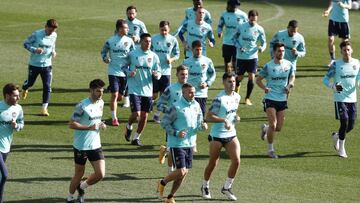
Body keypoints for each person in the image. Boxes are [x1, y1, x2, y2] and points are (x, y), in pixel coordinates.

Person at [157, 83, 207, 203]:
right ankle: (162, 182)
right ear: (183, 93)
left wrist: (202, 126)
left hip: (190, 144)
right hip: (177, 144)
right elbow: (164, 123)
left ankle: (170, 197)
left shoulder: (196, 105)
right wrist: (176, 133)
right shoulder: (176, 107)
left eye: (194, 92)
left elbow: (198, 124)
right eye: (190, 92)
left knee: (183, 174)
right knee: (181, 170)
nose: (193, 94)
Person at [201, 72, 241, 201]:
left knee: (236, 161)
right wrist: (224, 121)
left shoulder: (237, 97)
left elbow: (232, 113)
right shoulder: (219, 99)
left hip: (231, 134)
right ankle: (205, 186)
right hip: (217, 136)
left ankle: (227, 187)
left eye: (234, 81)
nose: (232, 84)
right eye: (230, 82)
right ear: (224, 83)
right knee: (213, 163)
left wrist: (235, 118)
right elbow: (208, 116)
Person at [66, 79, 107, 203]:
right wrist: (89, 127)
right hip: (81, 146)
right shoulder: (82, 105)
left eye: (102, 91)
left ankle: (82, 187)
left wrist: (101, 125)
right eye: (98, 91)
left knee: (100, 174)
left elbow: (96, 120)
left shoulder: (101, 103)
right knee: (79, 173)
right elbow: (72, 124)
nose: (100, 94)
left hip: (95, 145)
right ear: (91, 91)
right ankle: (70, 198)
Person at [256, 42, 295, 159]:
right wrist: (264, 88)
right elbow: (258, 80)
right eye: (279, 51)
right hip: (270, 98)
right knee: (273, 124)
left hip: (282, 99)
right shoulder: (268, 66)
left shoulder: (289, 65)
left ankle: (265, 128)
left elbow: (292, 76)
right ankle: (270, 150)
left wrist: (290, 85)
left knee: (278, 128)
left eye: (283, 51)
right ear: (274, 52)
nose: (281, 53)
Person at [123, 33, 161, 146]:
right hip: (134, 89)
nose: (148, 43)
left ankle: (136, 138)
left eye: (149, 41)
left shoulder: (154, 56)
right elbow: (123, 66)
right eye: (146, 41)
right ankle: (128, 126)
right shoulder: (132, 54)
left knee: (144, 116)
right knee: (136, 114)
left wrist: (156, 75)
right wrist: (129, 73)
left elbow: (158, 71)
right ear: (141, 42)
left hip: (147, 91)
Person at [323, 41, 360, 158]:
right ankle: (341, 149)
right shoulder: (336, 64)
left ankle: (337, 136)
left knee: (351, 125)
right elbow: (325, 79)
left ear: (352, 50)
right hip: (340, 98)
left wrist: (358, 83)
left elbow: (358, 76)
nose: (347, 52)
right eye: (344, 50)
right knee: (344, 122)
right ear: (341, 52)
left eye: (348, 50)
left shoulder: (357, 63)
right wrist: (333, 86)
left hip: (352, 97)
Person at [101, 19, 135, 126]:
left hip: (124, 73)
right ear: (120, 29)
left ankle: (117, 97)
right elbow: (103, 51)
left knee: (120, 97)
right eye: (126, 27)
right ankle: (114, 118)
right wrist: (105, 58)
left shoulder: (130, 41)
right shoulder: (110, 41)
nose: (128, 29)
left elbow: (134, 55)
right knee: (115, 95)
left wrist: (132, 69)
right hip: (113, 71)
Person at [22, 19, 58, 116]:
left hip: (47, 65)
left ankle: (44, 109)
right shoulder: (36, 34)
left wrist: (53, 52)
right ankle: (25, 87)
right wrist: (35, 49)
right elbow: (25, 43)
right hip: (34, 64)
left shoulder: (54, 35)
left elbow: (53, 45)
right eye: (50, 30)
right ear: (46, 26)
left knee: (47, 86)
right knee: (30, 83)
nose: (51, 33)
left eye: (53, 31)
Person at [157, 65, 188, 171]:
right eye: (182, 74)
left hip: (185, 124)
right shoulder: (170, 89)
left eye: (186, 74)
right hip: (172, 124)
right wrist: (169, 111)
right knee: (173, 149)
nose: (184, 76)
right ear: (177, 75)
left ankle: (164, 150)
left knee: (180, 148)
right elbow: (159, 104)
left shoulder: (190, 89)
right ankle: (171, 171)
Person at [232, 10, 266, 106]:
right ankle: (235, 92)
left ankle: (247, 98)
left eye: (254, 20)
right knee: (240, 77)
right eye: (251, 20)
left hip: (253, 57)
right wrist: (239, 47)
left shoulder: (260, 29)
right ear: (248, 18)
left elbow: (264, 43)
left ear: (257, 18)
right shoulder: (241, 27)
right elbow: (234, 39)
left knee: (252, 77)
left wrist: (261, 48)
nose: (252, 22)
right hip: (241, 57)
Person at [151, 21, 180, 123]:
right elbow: (148, 51)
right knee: (154, 95)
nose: (164, 32)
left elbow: (177, 54)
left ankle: (157, 115)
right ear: (159, 29)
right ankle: (149, 103)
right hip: (155, 70)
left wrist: (171, 60)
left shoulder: (173, 40)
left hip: (166, 71)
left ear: (169, 29)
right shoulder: (154, 39)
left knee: (164, 96)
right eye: (162, 30)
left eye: (166, 30)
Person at [0, 83, 24, 203]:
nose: (18, 98)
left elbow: (21, 123)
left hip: (6, 147)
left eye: (18, 95)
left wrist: (17, 126)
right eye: (15, 96)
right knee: (4, 175)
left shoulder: (18, 108)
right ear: (7, 95)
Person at [183, 40, 216, 117]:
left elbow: (213, 74)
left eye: (200, 49)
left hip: (201, 94)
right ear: (192, 49)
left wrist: (207, 83)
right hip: (188, 93)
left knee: (200, 117)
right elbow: (183, 76)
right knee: (188, 116)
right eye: (197, 50)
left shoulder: (207, 61)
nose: (199, 51)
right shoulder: (186, 62)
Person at [217, 0, 248, 73]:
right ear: (229, 5)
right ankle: (227, 76)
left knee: (235, 62)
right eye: (234, 5)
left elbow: (247, 26)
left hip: (238, 43)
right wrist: (219, 32)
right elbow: (220, 25)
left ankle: (236, 79)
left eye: (237, 5)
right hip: (227, 42)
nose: (236, 7)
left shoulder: (242, 15)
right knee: (226, 62)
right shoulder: (224, 14)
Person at [323, 0, 352, 66]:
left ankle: (346, 59)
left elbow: (350, 6)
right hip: (333, 20)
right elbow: (332, 3)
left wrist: (343, 5)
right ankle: (333, 59)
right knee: (330, 39)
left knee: (344, 43)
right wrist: (328, 10)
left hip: (343, 21)